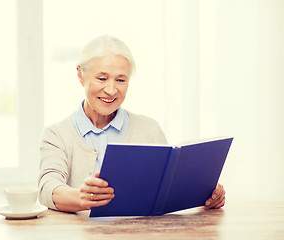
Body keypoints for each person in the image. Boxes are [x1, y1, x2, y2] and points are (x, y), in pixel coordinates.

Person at [38, 35, 226, 213]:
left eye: (120, 80)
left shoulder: (150, 130)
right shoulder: (57, 135)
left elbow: (167, 188)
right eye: (102, 78)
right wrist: (80, 197)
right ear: (81, 76)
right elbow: (48, 187)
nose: (111, 90)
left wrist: (206, 193)